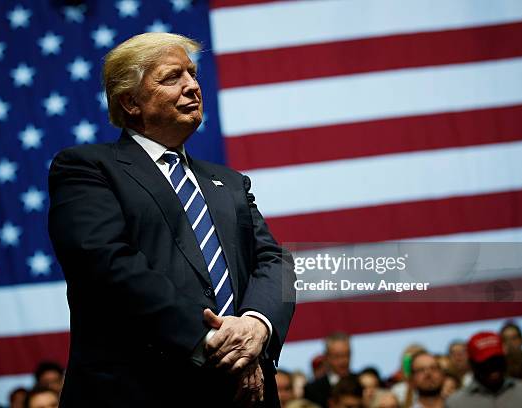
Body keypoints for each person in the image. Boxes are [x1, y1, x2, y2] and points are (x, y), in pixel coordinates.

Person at [48, 32, 296, 407]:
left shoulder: (228, 182)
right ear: (131, 101)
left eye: (193, 75)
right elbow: (106, 264)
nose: (193, 86)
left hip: (244, 393)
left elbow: (274, 262)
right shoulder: (87, 168)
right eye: (172, 77)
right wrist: (214, 340)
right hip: (140, 391)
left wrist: (256, 325)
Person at [446, 331, 522, 407]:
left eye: (496, 360)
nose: (492, 367)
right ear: (472, 362)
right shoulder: (456, 404)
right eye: (485, 362)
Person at [305, 332, 352, 406]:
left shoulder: (360, 382)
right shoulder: (313, 389)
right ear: (327, 357)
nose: (343, 361)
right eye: (337, 356)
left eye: (347, 355)